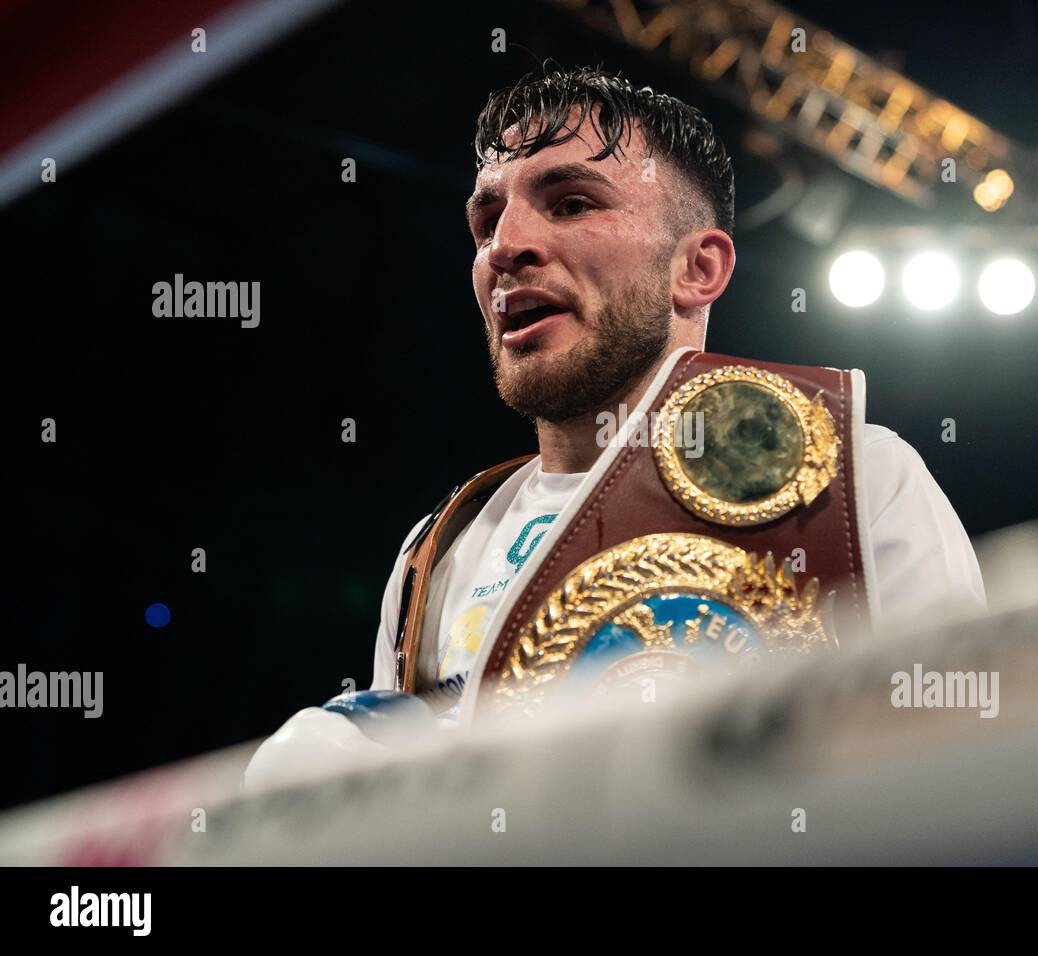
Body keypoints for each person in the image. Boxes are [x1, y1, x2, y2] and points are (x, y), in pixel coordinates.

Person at [245, 64, 984, 787]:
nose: (504, 247)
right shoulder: (441, 546)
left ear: (697, 270)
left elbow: (970, 778)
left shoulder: (851, 475)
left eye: (569, 203)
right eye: (486, 219)